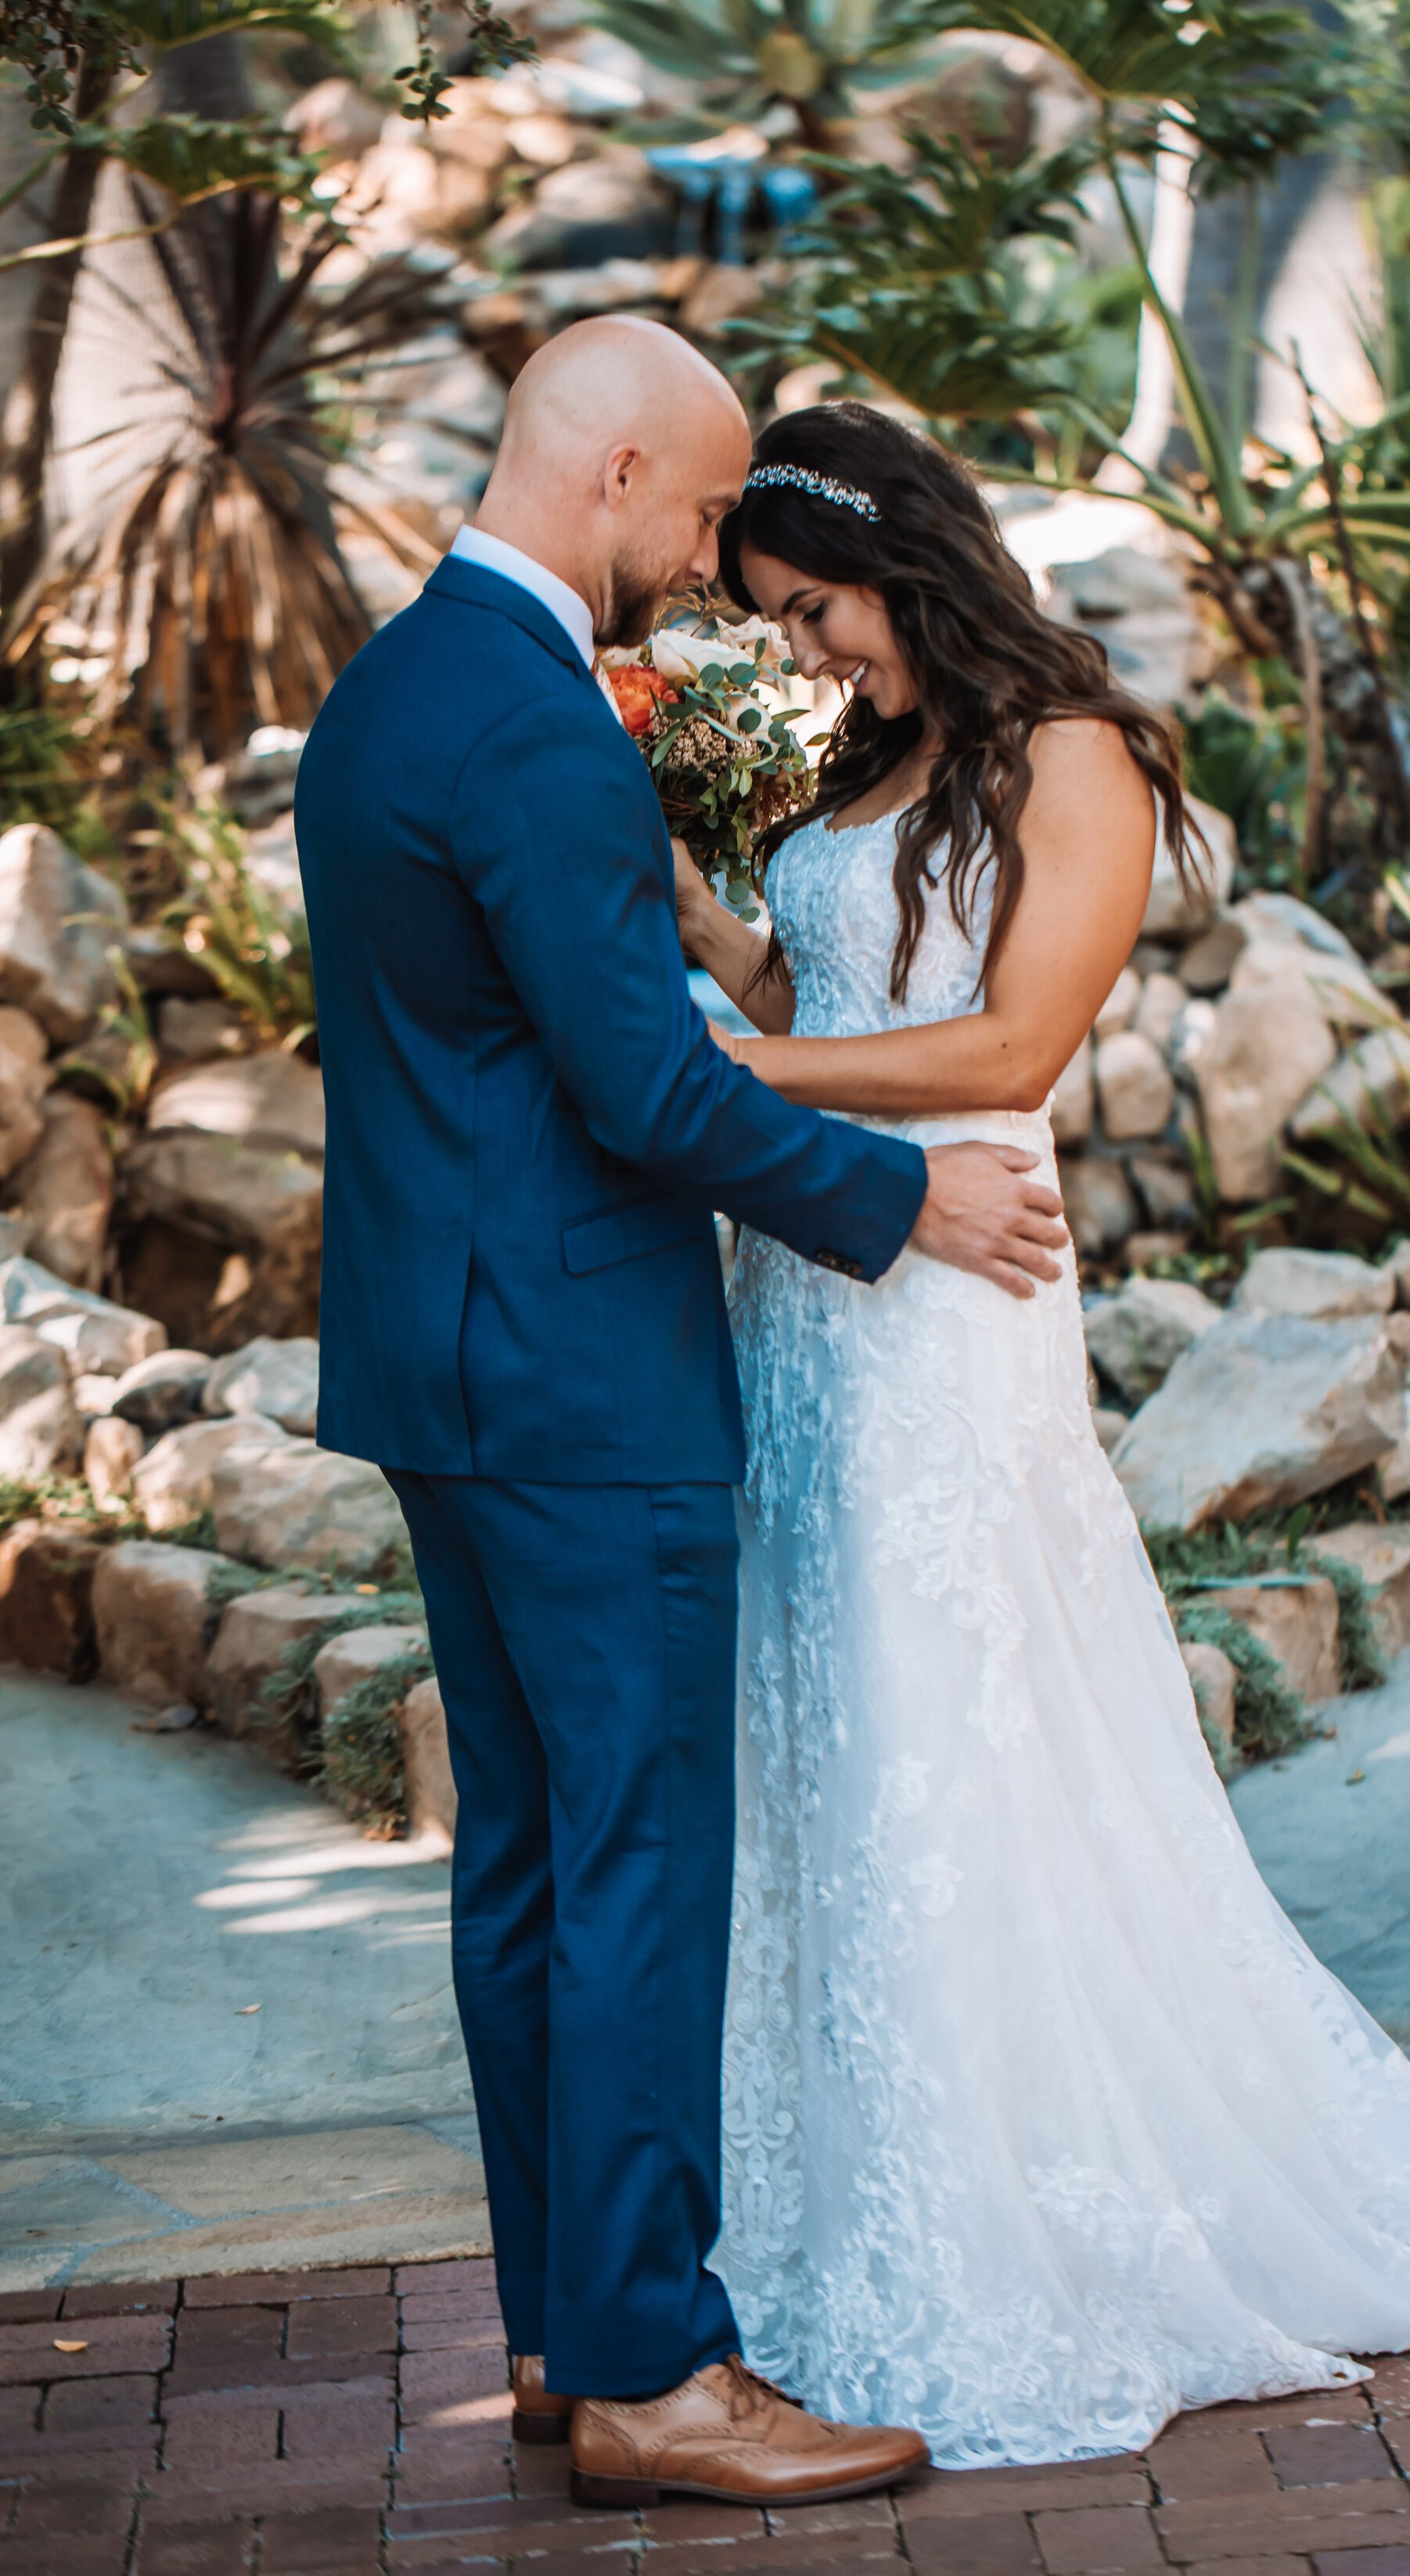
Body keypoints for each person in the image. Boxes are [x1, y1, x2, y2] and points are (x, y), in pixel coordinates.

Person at [673, 397, 1410, 2473]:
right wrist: (710, 939)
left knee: (949, 1714)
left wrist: (750, 1071)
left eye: (820, 607)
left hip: (950, 1304)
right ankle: (854, 2204)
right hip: (809, 1307)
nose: (808, 653)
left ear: (911, 558)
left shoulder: (1079, 750)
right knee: (832, 1724)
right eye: (774, 621)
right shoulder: (868, 763)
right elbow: (841, 983)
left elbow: (1015, 1042)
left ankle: (1027, 2210)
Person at [294, 322, 1070, 2513]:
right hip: (581, 1378)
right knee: (636, 1861)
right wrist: (905, 1200)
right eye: (706, 511)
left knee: (532, 1866)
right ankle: (652, 2371)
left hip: (444, 1371)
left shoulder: (395, 689)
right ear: (620, 471)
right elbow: (636, 1092)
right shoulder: (535, 725)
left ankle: (563, 2325)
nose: (712, 555)